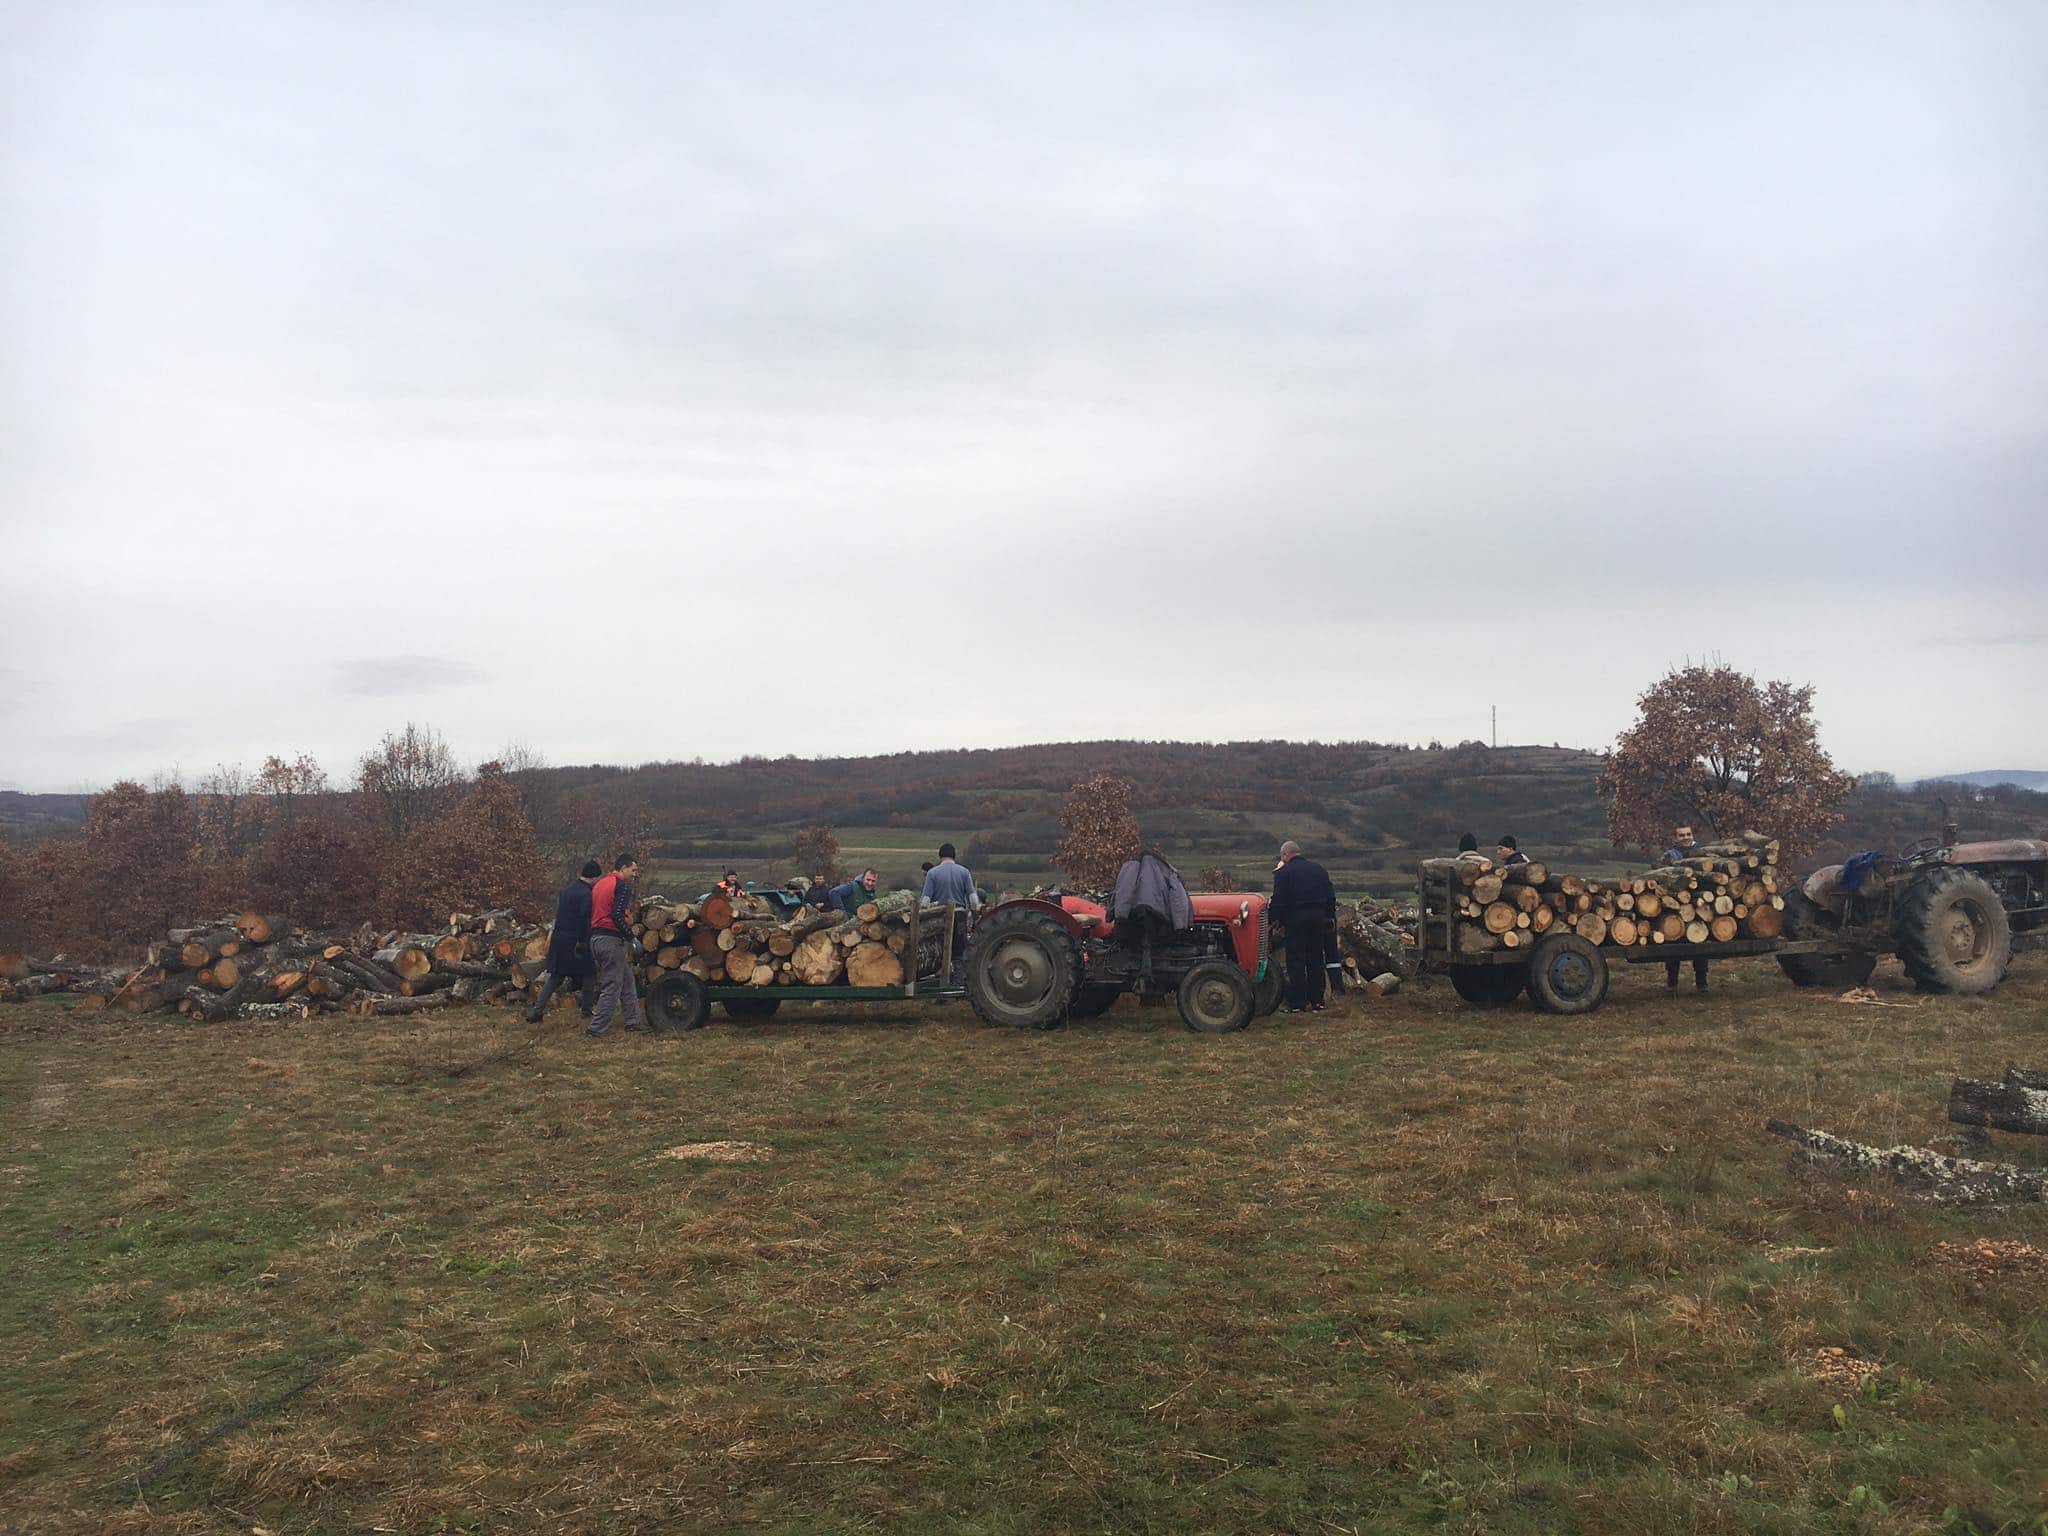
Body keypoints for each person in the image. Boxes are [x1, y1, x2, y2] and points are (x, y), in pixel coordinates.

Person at [527, 860, 601, 1023]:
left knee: (556, 977)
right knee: (590, 974)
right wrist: (582, 942)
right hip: (575, 940)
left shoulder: (566, 891)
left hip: (559, 938)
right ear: (594, 877)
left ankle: (537, 1011)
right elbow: (584, 919)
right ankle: (586, 1010)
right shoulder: (587, 894)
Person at [1273, 839, 1337, 1013]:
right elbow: (1331, 897)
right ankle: (1317, 1001)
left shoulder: (1284, 873)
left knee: (1296, 960)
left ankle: (1297, 1003)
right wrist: (1329, 917)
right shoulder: (1319, 870)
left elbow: (1278, 901)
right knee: (1316, 958)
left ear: (1286, 855)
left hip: (1295, 921)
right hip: (1318, 919)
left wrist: (1274, 921)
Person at [586, 852, 645, 1037]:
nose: (635, 874)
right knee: (612, 985)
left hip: (596, 938)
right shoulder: (621, 886)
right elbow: (617, 914)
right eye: (633, 870)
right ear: (623, 868)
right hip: (610, 939)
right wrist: (632, 938)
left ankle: (633, 1021)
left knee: (627, 980)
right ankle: (596, 1029)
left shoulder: (600, 884)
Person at [1661, 825, 1709, 992]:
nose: (1686, 837)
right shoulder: (1669, 856)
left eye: (1688, 834)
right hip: (1676, 906)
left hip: (1700, 904)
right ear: (1676, 838)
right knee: (1674, 943)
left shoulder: (1702, 854)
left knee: (1701, 942)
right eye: (1682, 835)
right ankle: (1672, 983)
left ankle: (1702, 982)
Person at [920, 844, 980, 912]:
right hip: (959, 913)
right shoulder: (965, 872)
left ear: (940, 855)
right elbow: (973, 898)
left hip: (938, 914)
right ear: (954, 856)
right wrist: (974, 911)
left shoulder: (932, 873)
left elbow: (925, 901)